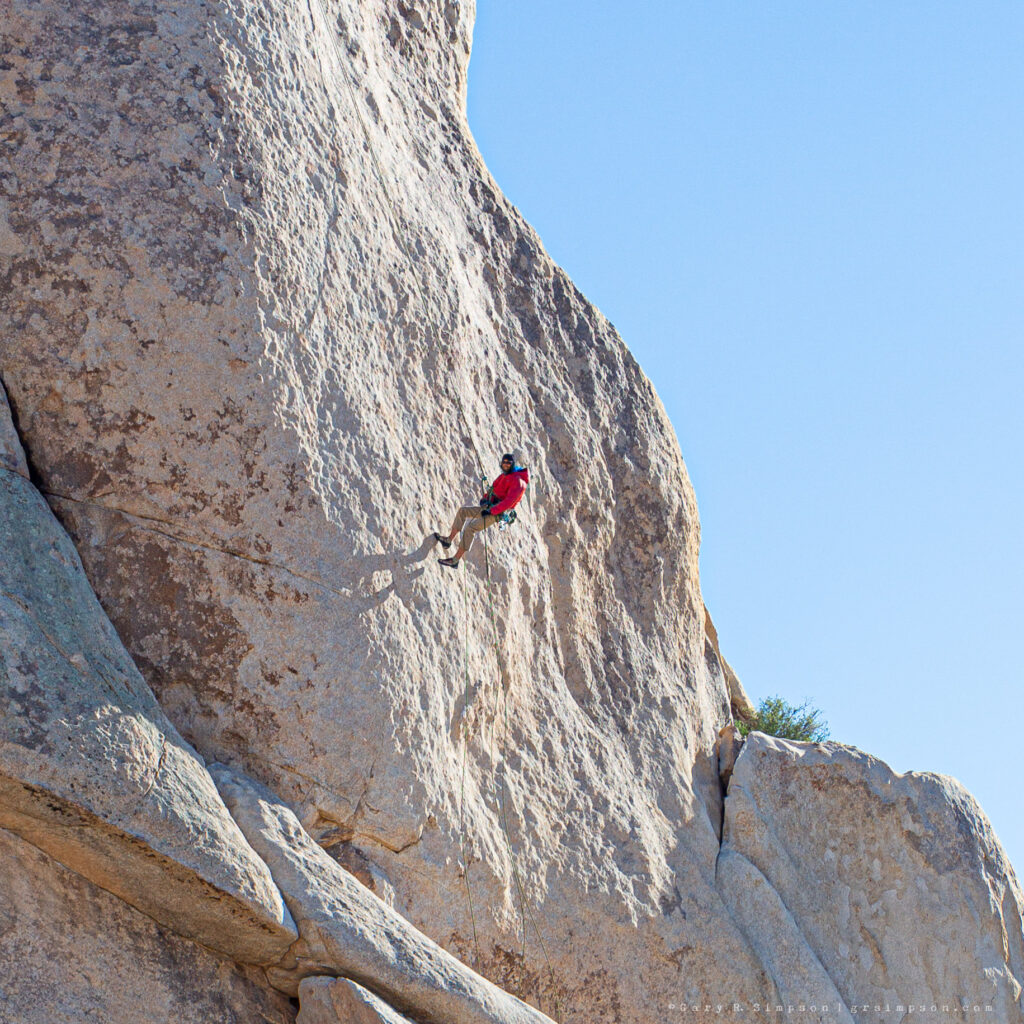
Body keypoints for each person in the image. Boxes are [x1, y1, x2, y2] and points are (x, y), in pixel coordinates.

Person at [435, 454, 529, 569]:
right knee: (463, 512)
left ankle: (455, 560)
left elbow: (508, 503)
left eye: (508, 463)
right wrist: (485, 498)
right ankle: (448, 540)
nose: (506, 465)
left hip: (497, 513)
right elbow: (493, 488)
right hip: (490, 507)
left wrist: (491, 511)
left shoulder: (518, 482)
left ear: (512, 464)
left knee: (471, 528)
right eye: (504, 462)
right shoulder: (504, 475)